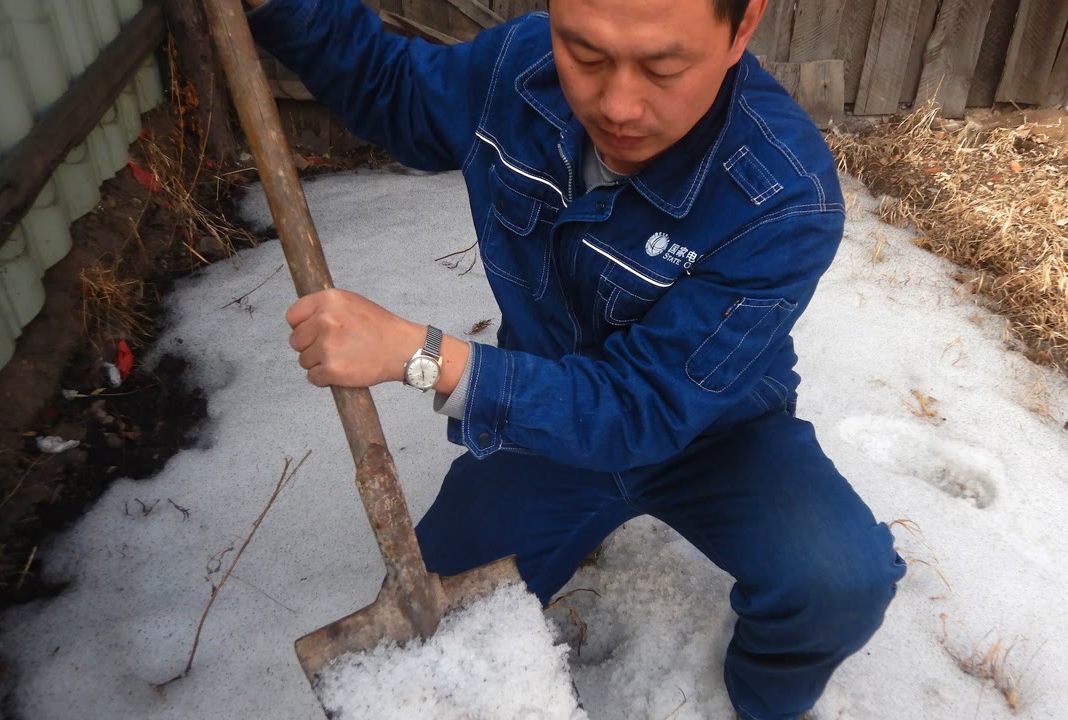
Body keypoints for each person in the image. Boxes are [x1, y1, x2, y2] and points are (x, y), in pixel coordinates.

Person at [245, 0, 906, 717]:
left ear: (741, 27)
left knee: (839, 582)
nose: (618, 105)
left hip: (713, 433)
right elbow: (394, 90)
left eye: (662, 65)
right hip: (542, 426)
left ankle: (758, 700)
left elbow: (641, 409)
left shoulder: (782, 194)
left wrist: (422, 355)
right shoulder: (520, 68)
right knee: (436, 632)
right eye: (584, 54)